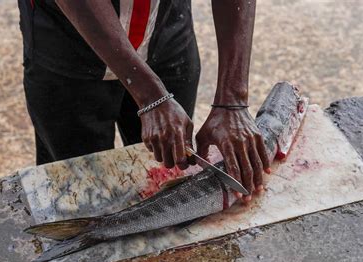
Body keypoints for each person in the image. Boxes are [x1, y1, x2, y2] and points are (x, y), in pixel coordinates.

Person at [18, 0, 270, 202]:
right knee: (75, 192)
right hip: (67, 48)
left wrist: (232, 100)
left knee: (165, 179)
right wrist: (152, 96)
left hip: (166, 32)